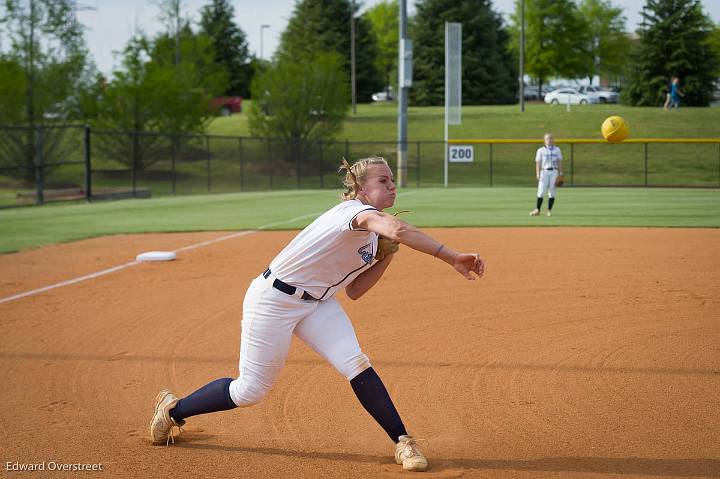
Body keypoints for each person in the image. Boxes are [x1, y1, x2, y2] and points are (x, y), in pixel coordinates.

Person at [149, 156, 485, 473]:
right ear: (361, 189)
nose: (393, 185)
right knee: (249, 391)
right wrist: (450, 255)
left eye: (393, 180)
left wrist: (385, 257)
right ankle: (173, 411)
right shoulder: (353, 212)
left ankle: (403, 441)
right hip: (273, 300)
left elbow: (355, 291)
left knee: (355, 362)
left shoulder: (370, 238)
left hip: (318, 303)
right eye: (384, 180)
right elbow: (395, 228)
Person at [530, 133, 563, 217]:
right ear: (544, 140)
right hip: (544, 172)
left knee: (552, 192)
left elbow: (559, 162)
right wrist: (538, 174)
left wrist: (561, 173)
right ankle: (537, 209)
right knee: (541, 191)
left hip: (554, 172)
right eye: (547, 139)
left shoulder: (557, 150)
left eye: (551, 138)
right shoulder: (540, 150)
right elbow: (538, 163)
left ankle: (549, 210)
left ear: (553, 140)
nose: (549, 140)